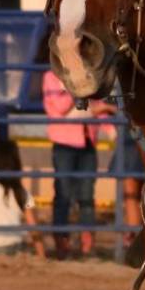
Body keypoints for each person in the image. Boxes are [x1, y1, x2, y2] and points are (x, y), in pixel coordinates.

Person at [42, 69, 112, 259]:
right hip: (64, 143)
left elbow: (96, 105)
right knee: (63, 194)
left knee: (87, 196)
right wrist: (76, 87)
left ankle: (87, 246)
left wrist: (111, 130)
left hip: (88, 141)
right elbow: (60, 106)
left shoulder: (87, 74)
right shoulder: (51, 77)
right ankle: (61, 244)